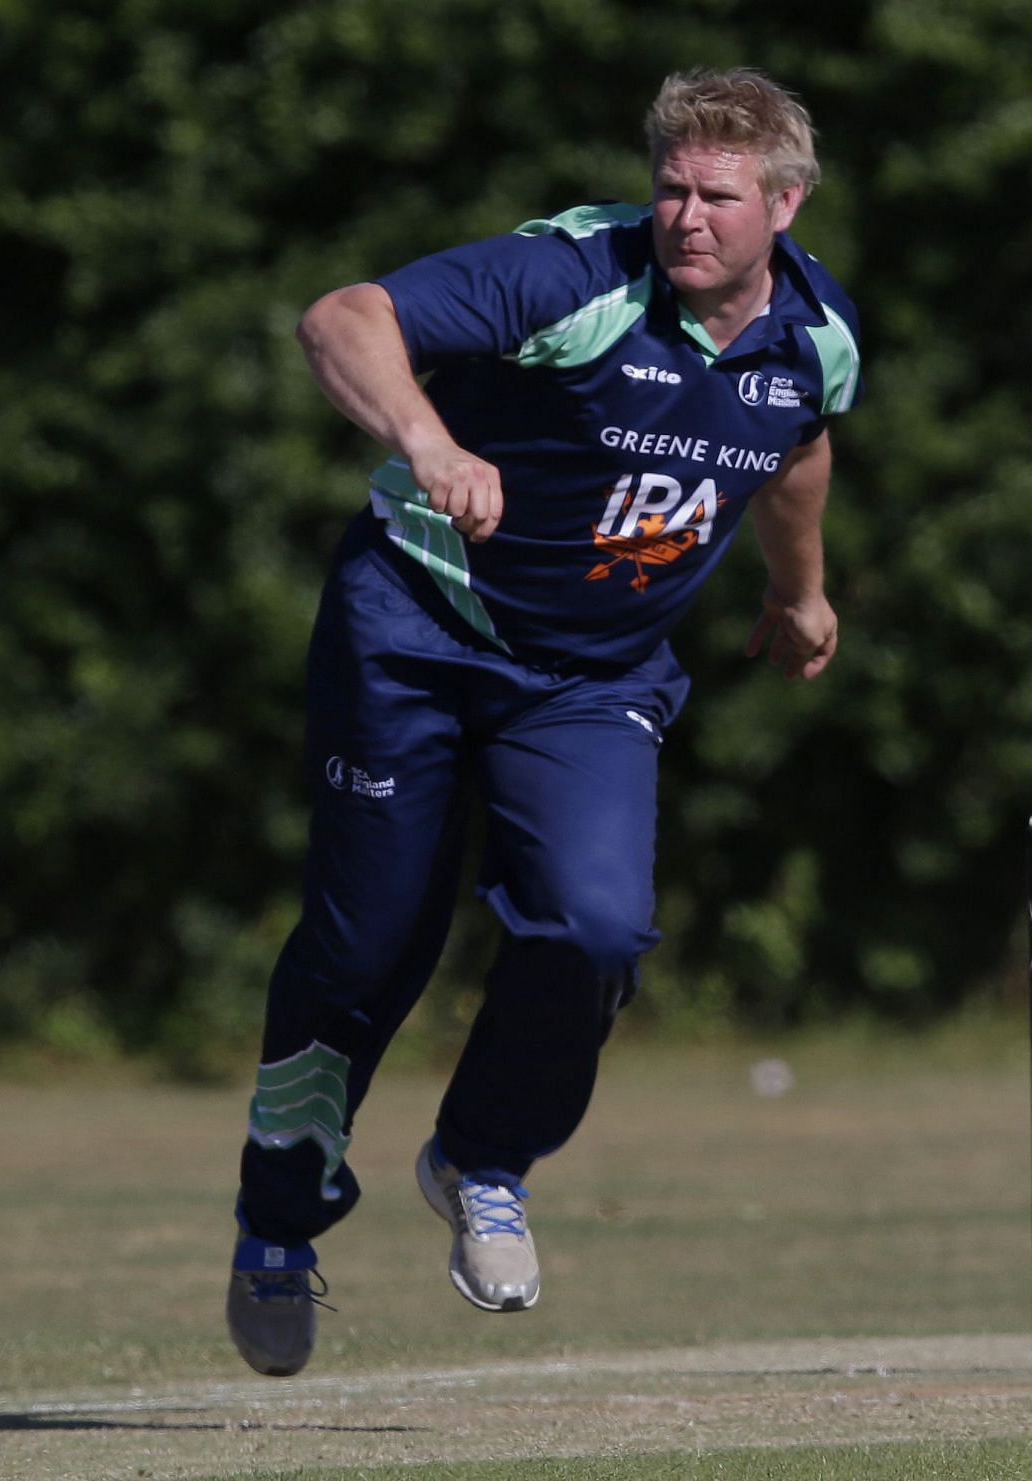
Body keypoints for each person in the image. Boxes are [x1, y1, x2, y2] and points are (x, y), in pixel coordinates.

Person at [226, 66, 862, 1378]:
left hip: (589, 677)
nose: (688, 217)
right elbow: (342, 317)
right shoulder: (571, 277)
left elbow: (798, 452)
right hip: (414, 629)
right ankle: (279, 1220)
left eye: (720, 197)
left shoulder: (816, 340)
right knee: (366, 949)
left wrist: (798, 594)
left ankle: (483, 1158)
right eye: (672, 188)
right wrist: (428, 439)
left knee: (596, 923)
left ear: (786, 206)